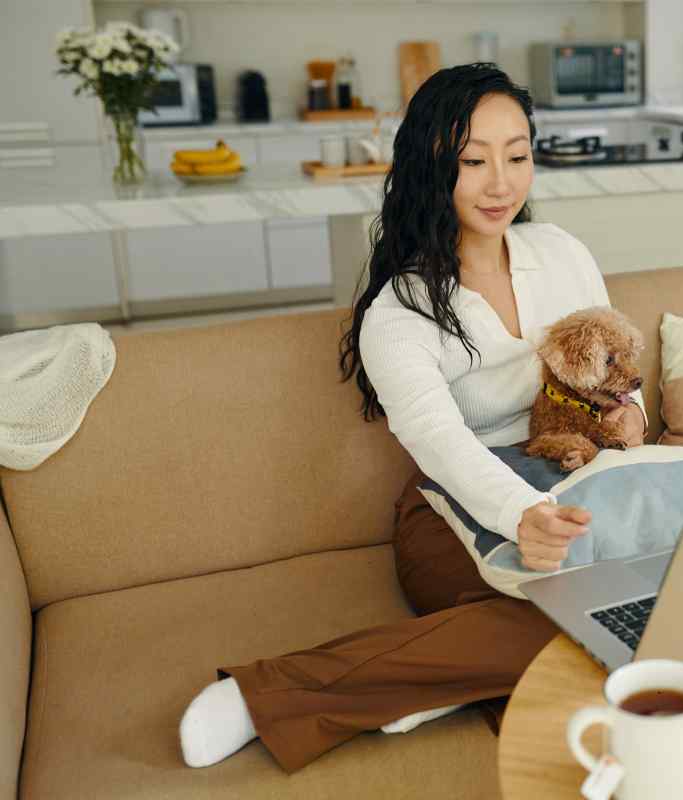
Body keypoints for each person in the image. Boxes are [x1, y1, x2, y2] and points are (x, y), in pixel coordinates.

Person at [177, 63, 648, 773]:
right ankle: (267, 692)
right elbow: (437, 440)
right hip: (455, 506)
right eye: (472, 160)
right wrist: (522, 513)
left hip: (581, 479)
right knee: (571, 624)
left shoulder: (563, 253)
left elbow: (616, 365)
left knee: (652, 603)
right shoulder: (400, 310)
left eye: (517, 156)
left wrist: (634, 419)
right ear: (432, 165)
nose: (501, 182)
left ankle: (439, 685)